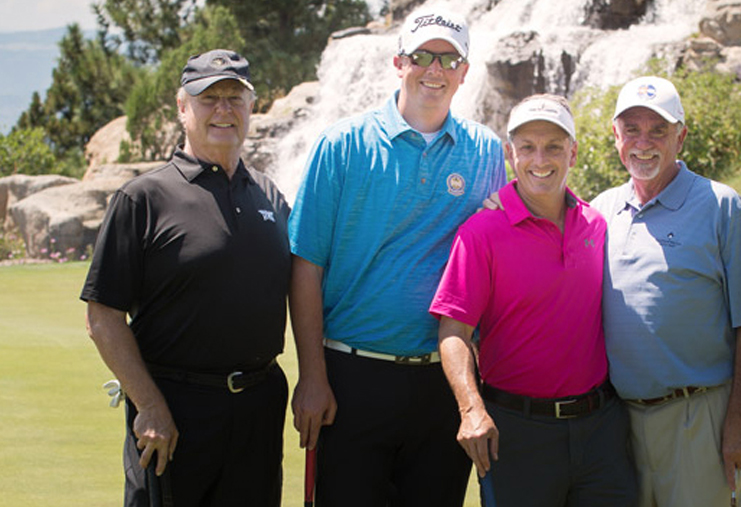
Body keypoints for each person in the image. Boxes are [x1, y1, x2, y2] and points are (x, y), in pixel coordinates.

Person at [287, 7, 507, 507]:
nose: (436, 69)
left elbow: (498, 259)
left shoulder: (487, 152)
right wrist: (313, 376)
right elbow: (306, 264)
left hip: (443, 384)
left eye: (449, 59)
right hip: (352, 377)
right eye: (423, 56)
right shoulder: (341, 145)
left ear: (465, 72)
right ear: (398, 61)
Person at [80, 49, 291, 506]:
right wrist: (150, 405)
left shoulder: (270, 196)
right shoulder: (143, 198)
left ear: (250, 106)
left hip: (258, 406)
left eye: (234, 97)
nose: (223, 109)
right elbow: (103, 317)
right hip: (174, 410)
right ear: (182, 108)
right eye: (208, 97)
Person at [430, 94, 637, 507]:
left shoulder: (595, 224)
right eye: (527, 147)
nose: (540, 159)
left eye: (554, 146)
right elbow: (453, 329)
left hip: (601, 430)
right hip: (517, 433)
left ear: (573, 153)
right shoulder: (481, 233)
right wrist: (471, 409)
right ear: (510, 154)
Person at [590, 76, 741, 507]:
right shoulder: (600, 210)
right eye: (631, 129)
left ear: (681, 137)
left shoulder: (721, 206)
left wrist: (740, 418)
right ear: (615, 136)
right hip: (617, 423)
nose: (643, 142)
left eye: (659, 130)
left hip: (700, 416)